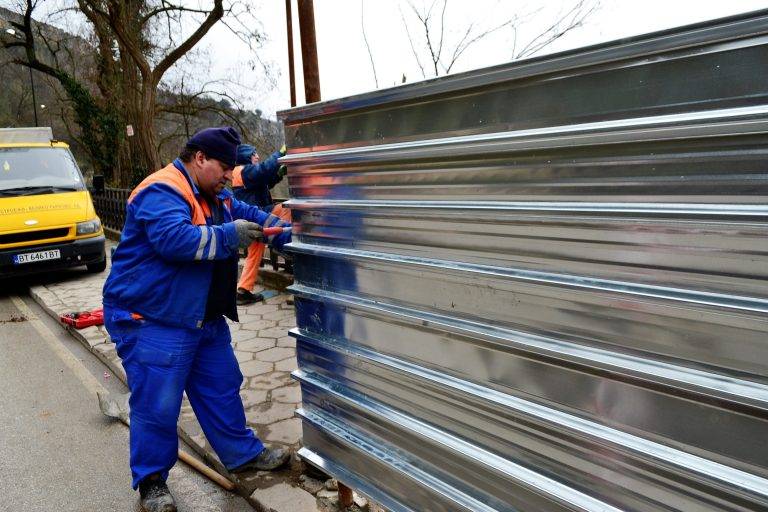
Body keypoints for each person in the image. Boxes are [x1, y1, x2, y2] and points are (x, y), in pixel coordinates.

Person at [102, 127, 291, 512]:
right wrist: (228, 236)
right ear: (200, 158)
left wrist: (287, 233)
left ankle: (241, 454)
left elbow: (248, 215)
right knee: (158, 404)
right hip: (152, 318)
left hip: (200, 317)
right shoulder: (162, 189)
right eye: (224, 167)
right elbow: (174, 240)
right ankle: (152, 482)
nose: (229, 176)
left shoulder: (215, 193)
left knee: (221, 386)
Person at [232, 144, 291, 304]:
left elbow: (265, 181)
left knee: (254, 254)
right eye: (254, 154)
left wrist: (278, 174)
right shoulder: (242, 170)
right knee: (287, 207)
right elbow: (264, 170)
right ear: (245, 156)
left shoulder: (246, 174)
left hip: (251, 220)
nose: (257, 156)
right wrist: (280, 154)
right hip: (258, 216)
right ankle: (286, 244)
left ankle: (242, 291)